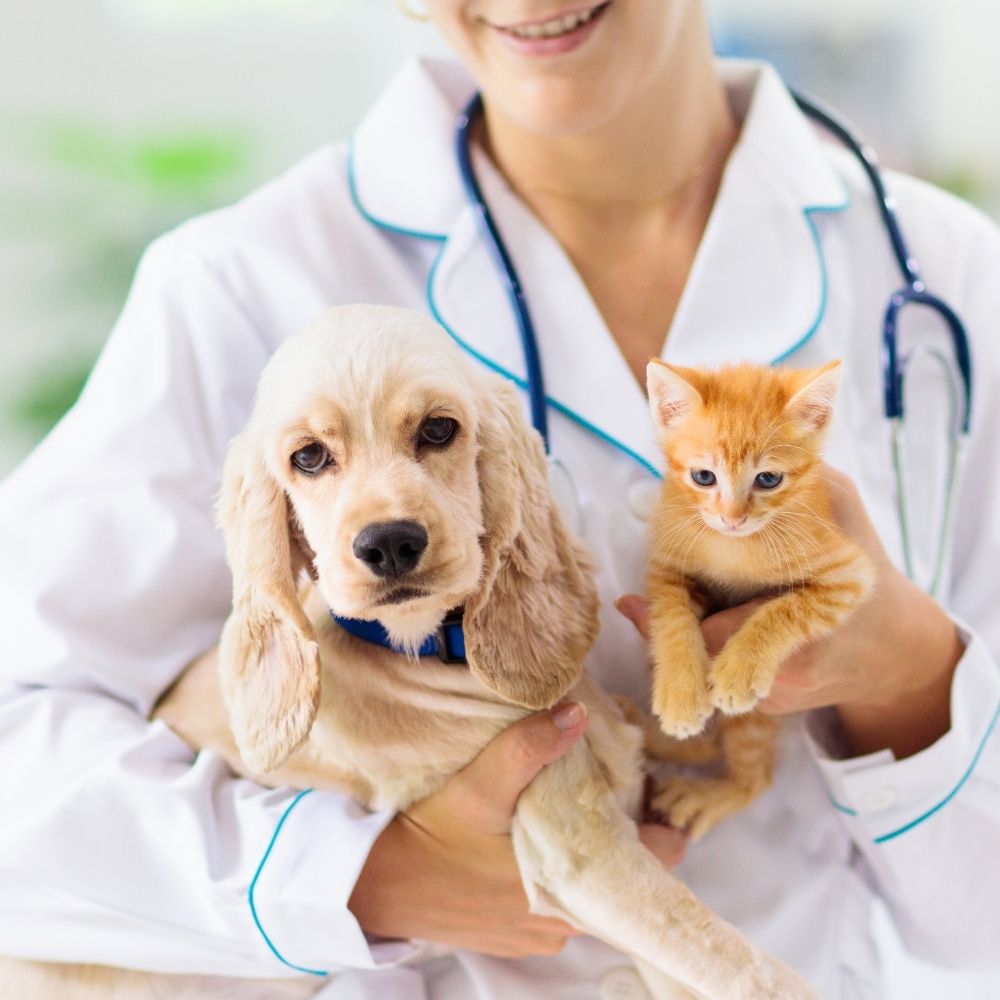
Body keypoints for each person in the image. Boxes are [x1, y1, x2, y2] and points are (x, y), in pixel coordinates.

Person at [1, 2, 998, 997]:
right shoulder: (238, 284)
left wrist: (909, 669)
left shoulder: (950, 279)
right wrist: (359, 875)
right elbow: (23, 759)